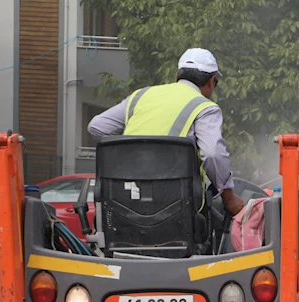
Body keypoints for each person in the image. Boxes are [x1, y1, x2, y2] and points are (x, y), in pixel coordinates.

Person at [87, 48, 244, 217]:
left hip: (125, 202)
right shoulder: (204, 107)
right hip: (177, 209)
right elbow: (213, 155)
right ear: (211, 81)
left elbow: (96, 126)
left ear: (177, 75)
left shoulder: (140, 96)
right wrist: (229, 199)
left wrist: (127, 152)